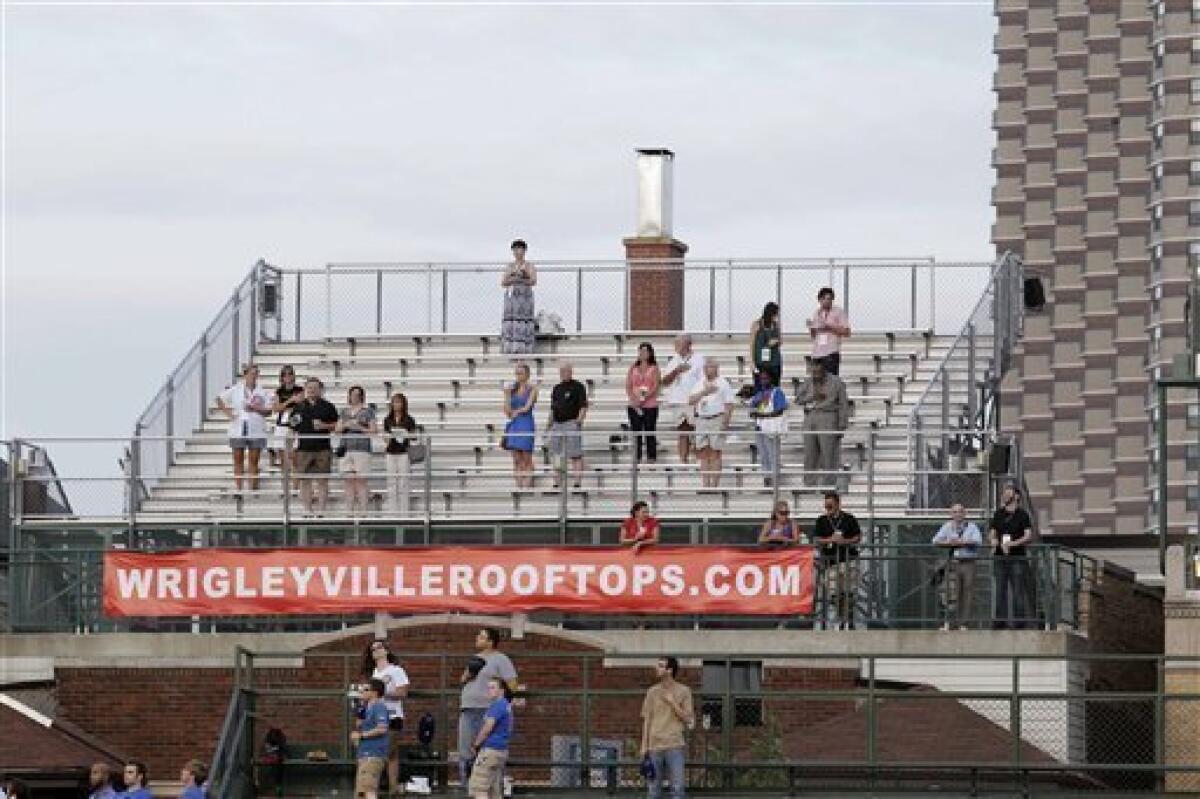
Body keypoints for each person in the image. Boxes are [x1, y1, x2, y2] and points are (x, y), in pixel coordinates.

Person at [458, 629, 518, 788]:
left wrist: (504, 703)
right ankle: (468, 786)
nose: (477, 638)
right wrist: (469, 674)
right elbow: (462, 680)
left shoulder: (500, 659)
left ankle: (492, 786)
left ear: (491, 642)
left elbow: (512, 684)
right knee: (465, 748)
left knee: (487, 747)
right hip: (468, 708)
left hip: (487, 709)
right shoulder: (475, 658)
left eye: (482, 637)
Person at [639, 656, 694, 799]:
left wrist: (672, 702)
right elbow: (647, 720)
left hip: (674, 746)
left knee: (678, 790)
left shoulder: (684, 691)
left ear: (669, 670)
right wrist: (644, 746)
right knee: (653, 792)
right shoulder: (652, 692)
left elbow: (688, 719)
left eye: (661, 666)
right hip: (654, 747)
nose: (656, 668)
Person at [215, 364, 274, 492]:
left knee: (254, 460)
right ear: (245, 375)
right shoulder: (236, 389)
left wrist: (256, 409)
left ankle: (252, 488)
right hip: (238, 427)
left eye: (255, 374)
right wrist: (229, 414)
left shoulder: (263, 392)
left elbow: (269, 411)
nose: (253, 376)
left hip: (256, 428)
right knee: (238, 458)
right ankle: (239, 489)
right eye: (251, 374)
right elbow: (219, 398)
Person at [363, 639, 411, 795]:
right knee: (391, 754)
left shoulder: (396, 670)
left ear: (386, 650)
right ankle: (392, 788)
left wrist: (383, 694)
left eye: (379, 647)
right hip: (375, 716)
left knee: (385, 751)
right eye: (373, 649)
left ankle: (378, 787)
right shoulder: (373, 673)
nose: (376, 650)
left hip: (392, 715)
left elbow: (402, 692)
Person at [989, 485, 1037, 630]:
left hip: (1017, 557)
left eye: (1008, 493)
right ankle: (1000, 621)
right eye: (1004, 493)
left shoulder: (1023, 514)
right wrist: (993, 540)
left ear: (1016, 496)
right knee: (1000, 590)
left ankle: (1019, 622)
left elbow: (1028, 536)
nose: (1005, 495)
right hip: (1000, 556)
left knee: (1017, 590)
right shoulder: (998, 514)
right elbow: (993, 531)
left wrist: (1012, 544)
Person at [813, 492, 862, 630]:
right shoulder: (821, 520)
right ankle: (842, 618)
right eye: (826, 506)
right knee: (835, 593)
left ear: (838, 504)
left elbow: (857, 537)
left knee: (849, 592)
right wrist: (830, 540)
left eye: (831, 505)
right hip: (831, 562)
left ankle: (849, 622)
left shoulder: (849, 518)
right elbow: (816, 539)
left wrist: (844, 541)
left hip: (848, 559)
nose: (828, 508)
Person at [797, 361, 849, 487]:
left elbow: (843, 404)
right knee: (809, 454)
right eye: (813, 372)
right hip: (811, 416)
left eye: (818, 372)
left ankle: (829, 485)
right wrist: (812, 396)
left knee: (829, 453)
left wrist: (842, 424)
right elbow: (798, 399)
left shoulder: (837, 382)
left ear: (824, 370)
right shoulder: (808, 382)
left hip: (829, 416)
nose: (815, 375)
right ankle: (809, 484)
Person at [932, 503, 983, 631]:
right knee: (951, 592)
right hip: (953, 562)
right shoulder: (947, 526)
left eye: (960, 511)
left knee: (967, 592)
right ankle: (948, 622)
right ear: (951, 514)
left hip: (968, 562)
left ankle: (963, 623)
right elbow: (935, 540)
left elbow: (977, 541)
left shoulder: (972, 527)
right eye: (954, 512)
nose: (957, 514)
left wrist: (962, 542)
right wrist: (948, 543)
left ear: (964, 514)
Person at [293, 377, 339, 515]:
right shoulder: (299, 407)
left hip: (322, 447)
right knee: (305, 480)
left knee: (322, 480)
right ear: (306, 390)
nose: (312, 390)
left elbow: (337, 425)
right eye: (309, 388)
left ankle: (321, 510)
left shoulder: (328, 406)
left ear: (320, 390)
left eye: (315, 388)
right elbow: (292, 425)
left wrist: (324, 425)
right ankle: (307, 510)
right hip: (304, 448)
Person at [688, 359, 736, 488]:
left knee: (715, 452)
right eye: (705, 367)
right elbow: (691, 400)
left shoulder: (723, 383)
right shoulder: (699, 383)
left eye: (710, 367)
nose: (706, 369)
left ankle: (714, 485)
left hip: (717, 419)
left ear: (716, 368)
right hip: (701, 419)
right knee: (703, 453)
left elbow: (729, 404)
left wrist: (725, 422)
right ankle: (705, 485)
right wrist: (705, 392)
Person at [660, 335, 706, 464]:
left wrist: (700, 398)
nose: (676, 346)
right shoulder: (673, 360)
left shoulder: (699, 359)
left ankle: (699, 461)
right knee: (682, 431)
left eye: (679, 343)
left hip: (694, 401)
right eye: (675, 343)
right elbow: (664, 382)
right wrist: (676, 371)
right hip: (677, 401)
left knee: (698, 432)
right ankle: (683, 461)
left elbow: (704, 380)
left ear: (688, 344)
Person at [467, 678, 513, 799]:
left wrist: (476, 744)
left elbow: (487, 728)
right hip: (501, 751)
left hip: (490, 750)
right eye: (488, 687)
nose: (489, 690)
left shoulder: (497, 706)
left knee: (479, 787)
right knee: (494, 790)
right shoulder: (506, 706)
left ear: (501, 690)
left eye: (493, 687)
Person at [338, 386, 378, 515]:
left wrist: (359, 427)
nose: (354, 397)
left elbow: (373, 430)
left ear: (361, 396)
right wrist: (345, 425)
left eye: (357, 394)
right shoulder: (344, 412)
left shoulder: (368, 411)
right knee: (348, 480)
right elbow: (337, 429)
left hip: (362, 448)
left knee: (361, 480)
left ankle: (363, 511)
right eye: (352, 394)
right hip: (346, 447)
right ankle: (349, 511)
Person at [547, 362, 588, 489]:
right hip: (557, 423)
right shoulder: (556, 388)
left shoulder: (578, 386)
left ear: (571, 372)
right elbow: (553, 408)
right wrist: (549, 423)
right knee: (556, 454)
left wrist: (578, 421)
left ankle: (577, 482)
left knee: (575, 453)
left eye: (566, 371)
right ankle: (556, 482)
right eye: (562, 371)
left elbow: (583, 405)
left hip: (571, 422)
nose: (564, 373)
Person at [746, 369, 788, 487]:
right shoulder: (760, 393)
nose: (763, 381)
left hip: (771, 428)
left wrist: (762, 415)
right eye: (761, 379)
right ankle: (767, 478)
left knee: (773, 454)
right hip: (760, 427)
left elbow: (779, 411)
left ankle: (775, 481)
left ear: (771, 379)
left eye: (766, 378)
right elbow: (753, 406)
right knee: (763, 455)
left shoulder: (777, 392)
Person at [351, 678, 391, 799]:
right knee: (361, 791)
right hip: (364, 753)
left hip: (373, 754)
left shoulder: (379, 706)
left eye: (366, 689)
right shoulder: (367, 708)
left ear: (374, 692)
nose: (362, 691)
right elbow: (359, 725)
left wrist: (362, 735)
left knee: (368, 789)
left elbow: (382, 728)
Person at [502, 364, 538, 489]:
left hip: (526, 423)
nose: (518, 376)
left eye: (521, 373)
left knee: (526, 456)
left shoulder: (532, 388)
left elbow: (527, 407)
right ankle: (519, 486)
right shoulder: (512, 390)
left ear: (527, 374)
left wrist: (516, 412)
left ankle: (527, 485)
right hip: (514, 424)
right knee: (516, 457)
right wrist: (506, 396)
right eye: (517, 373)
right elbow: (507, 411)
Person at [382, 392, 418, 515]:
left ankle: (404, 512)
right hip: (391, 452)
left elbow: (414, 437)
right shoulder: (387, 420)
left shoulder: (409, 419)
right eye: (394, 402)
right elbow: (385, 437)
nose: (396, 405)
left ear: (403, 404)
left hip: (404, 452)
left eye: (399, 402)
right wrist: (388, 436)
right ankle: (392, 512)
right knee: (391, 482)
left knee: (403, 482)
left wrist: (404, 433)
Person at [626, 342, 662, 464]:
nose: (643, 353)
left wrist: (644, 398)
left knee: (649, 431)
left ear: (650, 353)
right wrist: (633, 398)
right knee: (636, 432)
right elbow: (628, 385)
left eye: (645, 351)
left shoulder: (654, 367)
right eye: (641, 351)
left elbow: (656, 385)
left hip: (650, 404)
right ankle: (637, 457)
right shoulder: (633, 367)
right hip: (634, 406)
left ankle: (651, 458)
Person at [500, 239, 537, 355]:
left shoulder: (529, 265)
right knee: (512, 322)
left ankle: (525, 348)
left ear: (524, 250)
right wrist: (514, 277)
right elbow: (504, 282)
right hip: (512, 299)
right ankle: (510, 348)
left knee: (524, 321)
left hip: (524, 297)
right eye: (515, 249)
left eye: (520, 249)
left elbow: (533, 280)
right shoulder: (509, 266)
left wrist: (522, 276)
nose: (517, 252)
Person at [807, 287, 850, 375]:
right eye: (824, 299)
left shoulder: (838, 311)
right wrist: (811, 328)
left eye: (829, 299)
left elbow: (847, 332)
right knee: (817, 383)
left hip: (831, 352)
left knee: (831, 382)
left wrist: (829, 327)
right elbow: (814, 336)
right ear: (819, 299)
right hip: (817, 353)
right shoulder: (817, 312)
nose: (827, 301)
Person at [270, 365, 304, 471]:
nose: (288, 376)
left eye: (290, 373)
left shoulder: (300, 389)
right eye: (285, 374)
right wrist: (290, 401)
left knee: (294, 457)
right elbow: (276, 408)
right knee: (283, 458)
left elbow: (301, 404)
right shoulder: (279, 391)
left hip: (296, 421)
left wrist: (285, 406)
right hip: (281, 423)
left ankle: (295, 487)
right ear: (282, 377)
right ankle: (284, 484)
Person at [750, 301, 783, 387]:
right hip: (761, 361)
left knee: (775, 386)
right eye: (775, 314)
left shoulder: (776, 325)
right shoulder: (757, 324)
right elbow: (752, 344)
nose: (776, 316)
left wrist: (777, 341)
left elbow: (780, 340)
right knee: (761, 387)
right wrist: (752, 361)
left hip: (775, 361)